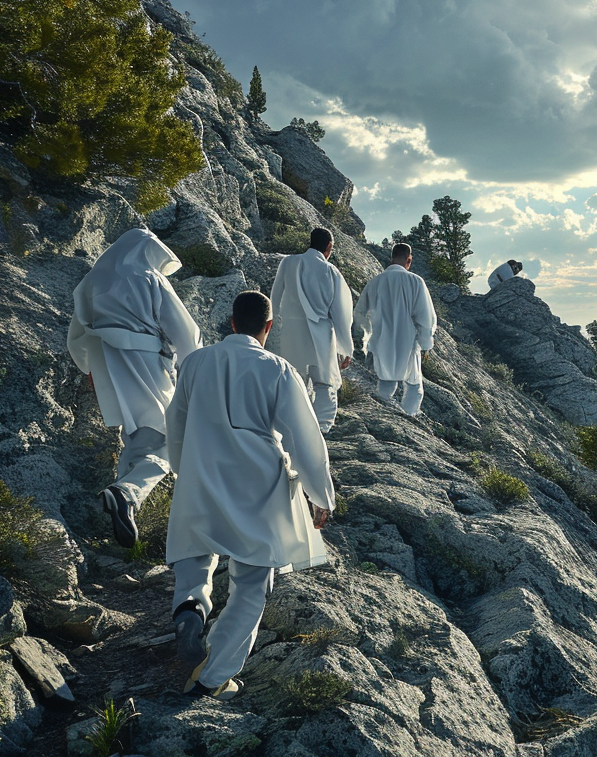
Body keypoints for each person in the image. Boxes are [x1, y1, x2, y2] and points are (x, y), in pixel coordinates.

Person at [165, 291, 334, 700]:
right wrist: (321, 494)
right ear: (268, 327)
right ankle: (213, 677)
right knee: (252, 581)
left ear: (232, 323)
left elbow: (176, 420)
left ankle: (190, 606)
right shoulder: (277, 369)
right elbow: (302, 438)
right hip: (257, 481)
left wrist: (182, 468)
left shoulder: (196, 362)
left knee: (196, 548)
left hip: (202, 471)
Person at [68, 228, 201, 548]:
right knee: (171, 442)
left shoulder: (95, 279)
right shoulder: (150, 279)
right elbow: (186, 333)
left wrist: (90, 369)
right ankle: (126, 493)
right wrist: (193, 369)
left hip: (105, 363)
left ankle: (116, 521)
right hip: (146, 363)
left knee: (139, 437)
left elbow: (78, 330)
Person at [270, 227, 354, 434]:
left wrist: (272, 326)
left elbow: (275, 297)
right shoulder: (331, 271)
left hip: (291, 329)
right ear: (329, 247)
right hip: (321, 332)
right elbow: (341, 313)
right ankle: (323, 427)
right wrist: (346, 348)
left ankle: (295, 423)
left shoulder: (288, 262)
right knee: (324, 380)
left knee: (295, 377)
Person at [353, 242, 437, 417]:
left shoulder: (376, 282)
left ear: (391, 258)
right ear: (409, 260)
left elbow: (360, 312)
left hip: (382, 340)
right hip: (407, 341)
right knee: (414, 386)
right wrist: (426, 342)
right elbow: (425, 315)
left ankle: (382, 415)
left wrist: (367, 336)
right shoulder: (415, 281)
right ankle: (409, 417)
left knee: (386, 383)